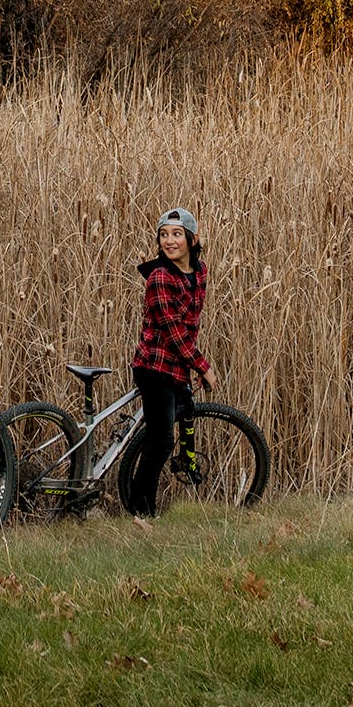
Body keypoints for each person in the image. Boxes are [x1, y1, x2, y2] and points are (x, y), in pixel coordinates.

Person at [121, 206, 212, 517]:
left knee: (167, 431)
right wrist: (203, 366)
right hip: (155, 367)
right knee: (161, 442)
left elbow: (190, 325)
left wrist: (191, 366)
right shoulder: (159, 277)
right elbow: (173, 331)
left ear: (192, 238)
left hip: (177, 368)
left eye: (176, 234)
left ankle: (144, 510)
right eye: (163, 235)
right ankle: (140, 512)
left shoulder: (198, 272)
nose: (169, 241)